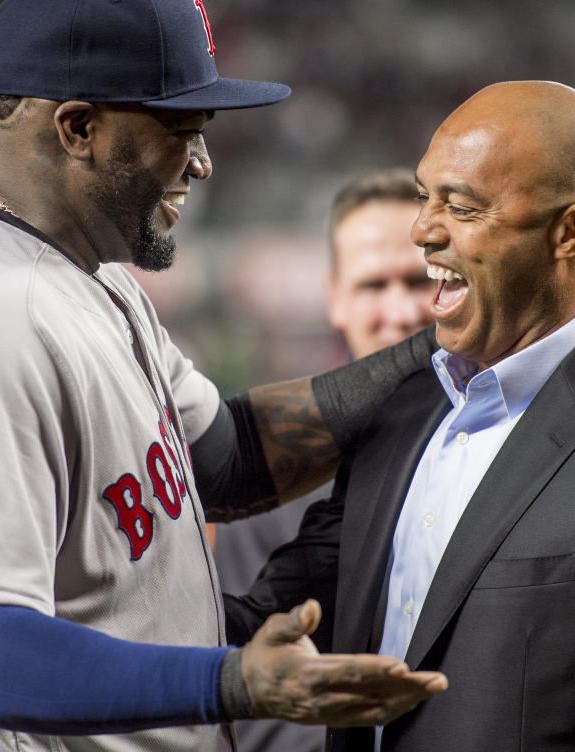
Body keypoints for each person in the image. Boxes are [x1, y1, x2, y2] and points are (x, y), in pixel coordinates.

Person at [0, 0, 445, 752]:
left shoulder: (81, 272)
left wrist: (443, 346)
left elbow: (230, 458)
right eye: (180, 130)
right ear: (77, 127)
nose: (202, 161)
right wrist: (234, 683)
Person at [224, 81, 575, 751]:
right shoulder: (405, 410)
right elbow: (256, 619)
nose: (423, 231)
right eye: (425, 196)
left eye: (460, 206)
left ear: (573, 231)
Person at [214, 168, 434, 752]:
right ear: (335, 296)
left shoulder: (510, 450)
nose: (402, 309)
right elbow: (250, 689)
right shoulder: (269, 479)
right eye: (373, 285)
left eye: (421, 279)